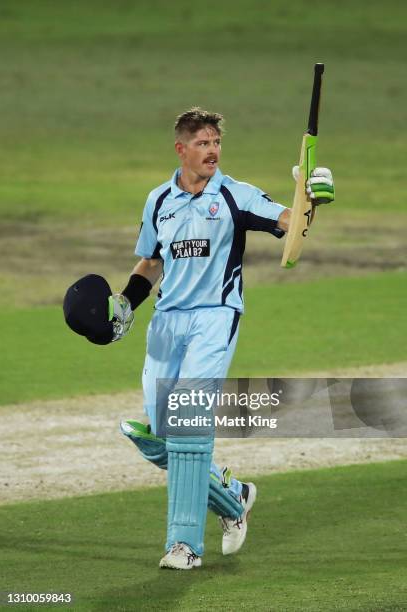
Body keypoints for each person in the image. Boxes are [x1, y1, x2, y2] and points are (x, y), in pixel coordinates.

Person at [63, 107, 334, 570]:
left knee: (188, 423)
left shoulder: (235, 194)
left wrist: (310, 194)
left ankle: (183, 545)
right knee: (160, 436)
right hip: (167, 322)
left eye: (216, 142)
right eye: (203, 143)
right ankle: (234, 498)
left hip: (214, 317)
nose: (212, 150)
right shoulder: (158, 201)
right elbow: (150, 262)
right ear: (181, 149)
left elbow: (290, 224)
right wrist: (126, 303)